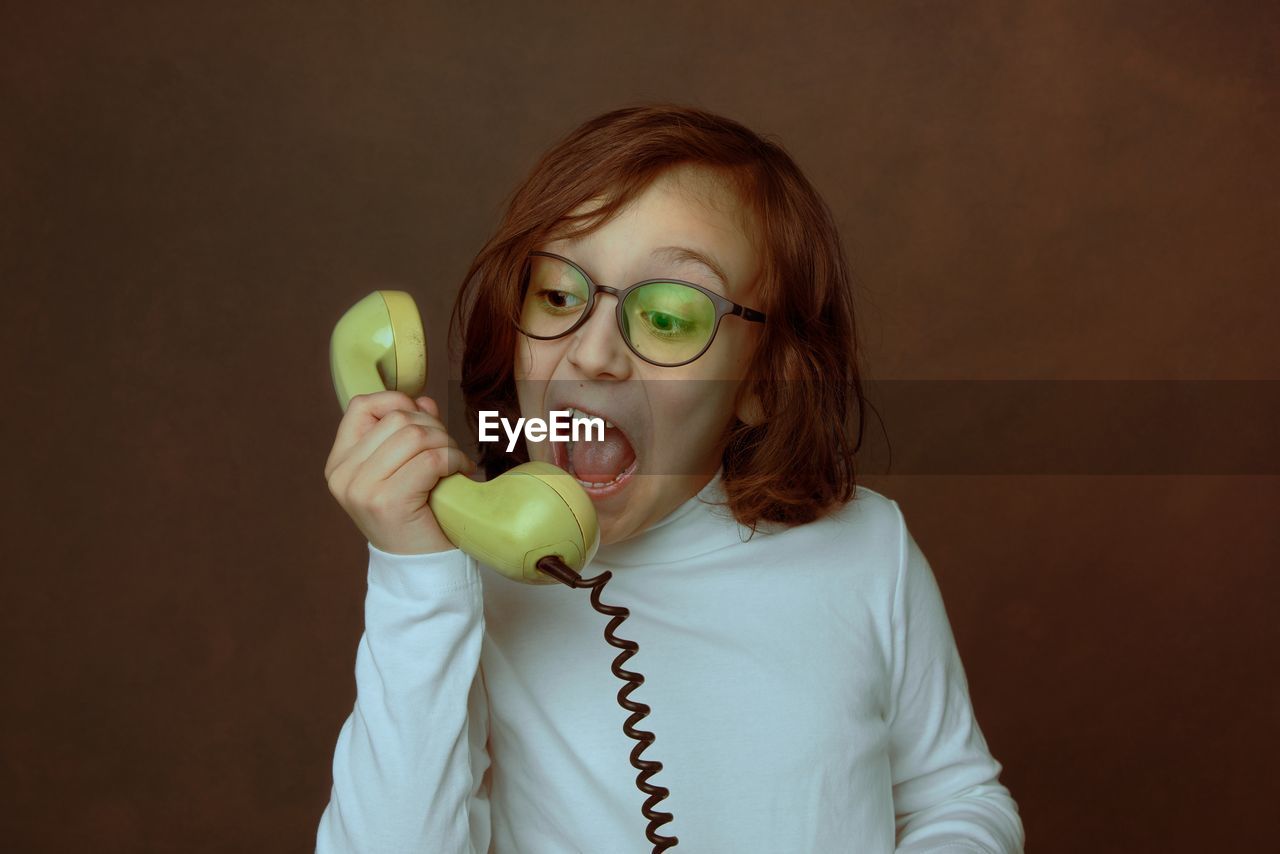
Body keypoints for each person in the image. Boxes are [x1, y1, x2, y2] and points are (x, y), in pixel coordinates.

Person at [316, 104, 1025, 853]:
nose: (593, 354)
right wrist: (416, 578)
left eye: (670, 316)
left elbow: (959, 798)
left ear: (763, 382)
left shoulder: (867, 549)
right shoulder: (467, 592)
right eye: (558, 294)